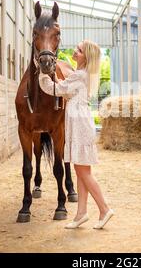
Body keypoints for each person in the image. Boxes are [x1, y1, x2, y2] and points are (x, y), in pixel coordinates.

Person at [38, 40, 114, 229]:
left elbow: (56, 90)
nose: (75, 50)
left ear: (85, 56)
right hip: (80, 122)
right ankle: (81, 214)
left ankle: (104, 209)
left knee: (83, 172)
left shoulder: (79, 75)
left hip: (79, 124)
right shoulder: (80, 75)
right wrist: (56, 80)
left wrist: (42, 73)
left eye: (78, 50)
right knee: (81, 173)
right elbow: (66, 90)